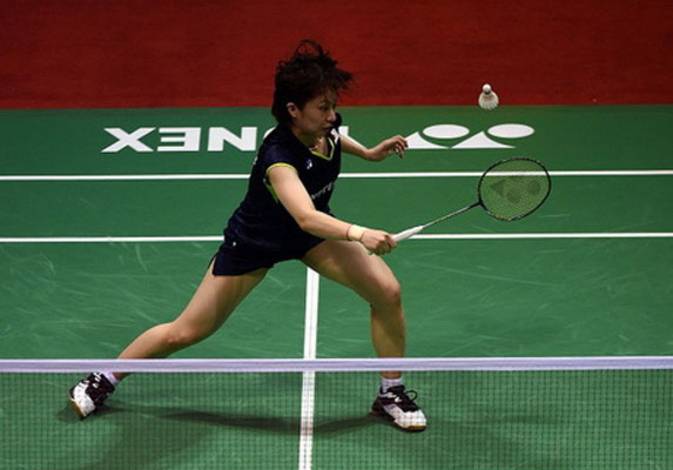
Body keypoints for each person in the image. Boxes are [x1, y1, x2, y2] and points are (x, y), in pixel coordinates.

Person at [69, 40, 426, 432]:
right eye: (322, 108)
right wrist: (360, 234)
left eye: (332, 105)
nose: (332, 115)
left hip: (310, 237)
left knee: (387, 292)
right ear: (293, 110)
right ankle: (105, 377)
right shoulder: (278, 158)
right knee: (186, 331)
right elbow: (305, 216)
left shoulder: (325, 127)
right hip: (257, 242)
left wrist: (371, 153)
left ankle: (390, 393)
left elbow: (336, 141)